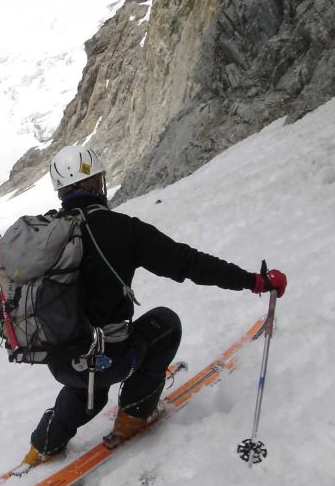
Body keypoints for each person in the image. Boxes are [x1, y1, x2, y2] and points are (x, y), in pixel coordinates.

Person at [21, 145, 287, 467]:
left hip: (60, 360)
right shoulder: (122, 229)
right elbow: (190, 263)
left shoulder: (46, 236)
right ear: (97, 182)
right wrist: (254, 282)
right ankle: (134, 415)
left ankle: (43, 446)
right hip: (111, 360)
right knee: (165, 324)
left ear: (61, 189)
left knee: (87, 386)